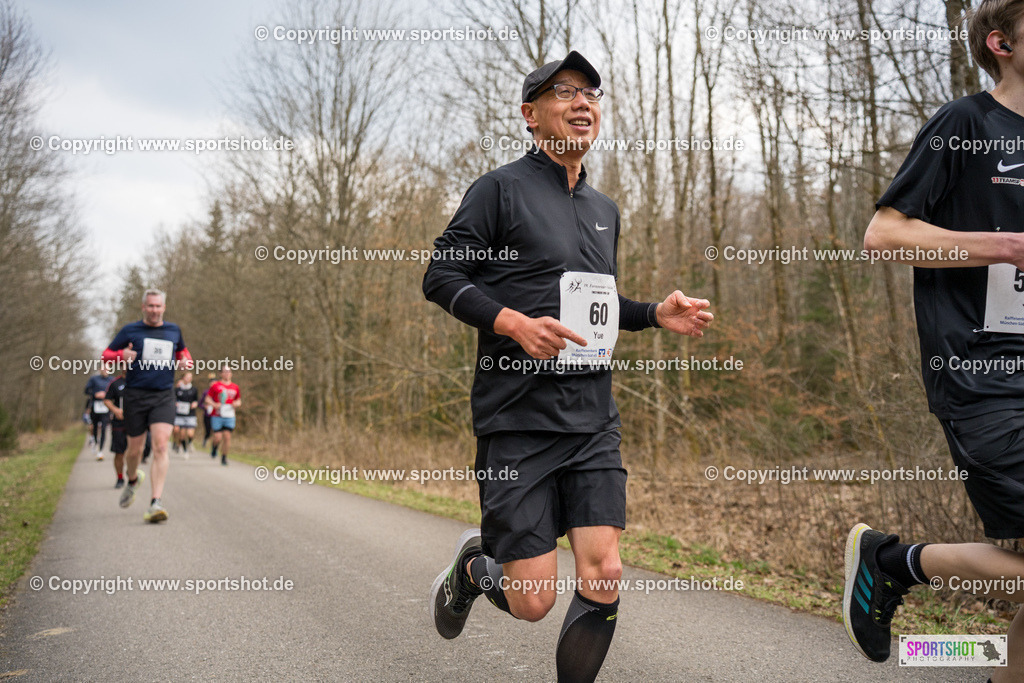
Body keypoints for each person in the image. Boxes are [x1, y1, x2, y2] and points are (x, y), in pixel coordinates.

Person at [422, 51, 713, 682]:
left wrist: (653, 314)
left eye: (591, 93)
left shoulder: (606, 208)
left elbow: (596, 308)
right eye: (564, 92)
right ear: (531, 115)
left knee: (604, 571)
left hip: (591, 420)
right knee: (532, 600)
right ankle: (473, 569)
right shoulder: (500, 190)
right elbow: (441, 275)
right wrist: (512, 323)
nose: (582, 102)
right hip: (517, 418)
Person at [843, 2, 1024, 678]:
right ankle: (895, 562)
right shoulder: (966, 124)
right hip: (982, 376)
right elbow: (884, 234)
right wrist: (1006, 246)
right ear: (1001, 43)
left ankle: (894, 563)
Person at [102, 289, 192, 523]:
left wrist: (186, 361)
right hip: (135, 396)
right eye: (150, 306)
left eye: (158, 306)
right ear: (143, 307)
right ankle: (132, 479)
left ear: (164, 307)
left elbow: (183, 352)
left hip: (163, 395)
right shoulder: (130, 330)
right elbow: (106, 354)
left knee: (161, 446)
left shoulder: (173, 330)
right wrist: (121, 355)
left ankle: (155, 503)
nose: (154, 310)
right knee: (135, 451)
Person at [205, 367, 240, 466]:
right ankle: (214, 447)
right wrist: (214, 404)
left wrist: (236, 404)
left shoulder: (235, 387)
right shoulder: (215, 386)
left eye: (229, 372)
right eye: (225, 372)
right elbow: (207, 399)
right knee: (217, 437)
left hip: (230, 415)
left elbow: (238, 400)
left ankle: (224, 457)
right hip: (217, 415)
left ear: (231, 374)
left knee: (227, 437)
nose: (227, 374)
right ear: (221, 374)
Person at [103, 371, 128, 488]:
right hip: (119, 423)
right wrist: (116, 410)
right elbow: (106, 400)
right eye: (124, 364)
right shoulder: (115, 383)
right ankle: (120, 478)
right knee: (119, 453)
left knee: (135, 451)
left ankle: (132, 473)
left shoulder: (140, 381)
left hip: (135, 422)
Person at [83, 365, 113, 459]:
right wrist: (95, 394)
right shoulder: (94, 379)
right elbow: (86, 390)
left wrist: (107, 395)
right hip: (95, 407)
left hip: (106, 406)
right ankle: (96, 442)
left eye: (107, 368)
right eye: (103, 368)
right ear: (100, 369)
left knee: (104, 428)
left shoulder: (112, 380)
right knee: (95, 427)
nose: (105, 370)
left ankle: (100, 450)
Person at [172, 371, 199, 457]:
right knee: (181, 434)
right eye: (187, 377)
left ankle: (190, 443)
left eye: (190, 377)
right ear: (183, 378)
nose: (188, 379)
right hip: (180, 414)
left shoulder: (194, 389)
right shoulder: (177, 390)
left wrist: (195, 404)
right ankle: (184, 450)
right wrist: (175, 403)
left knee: (190, 434)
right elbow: (173, 399)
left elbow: (196, 400)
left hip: (190, 414)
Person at [201, 373, 216, 448]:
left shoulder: (219, 392)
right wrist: (204, 407)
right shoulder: (205, 392)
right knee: (208, 431)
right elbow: (200, 404)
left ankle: (214, 446)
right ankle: (205, 440)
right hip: (207, 415)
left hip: (216, 415)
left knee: (216, 431)